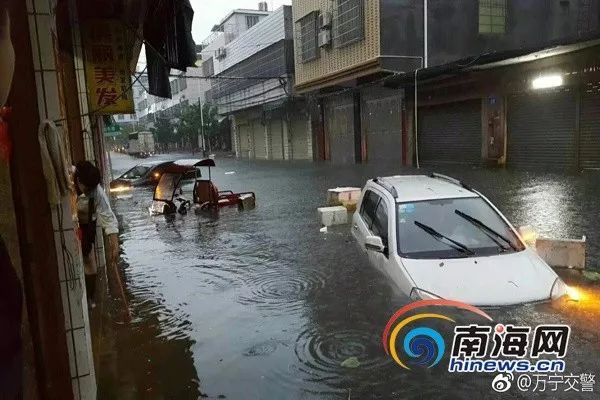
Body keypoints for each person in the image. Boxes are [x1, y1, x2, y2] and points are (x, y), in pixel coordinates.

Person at [74, 161, 130, 321]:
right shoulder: (68, 181)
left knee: (88, 259)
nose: (91, 191)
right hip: (72, 221)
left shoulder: (97, 191)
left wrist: (114, 242)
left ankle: (90, 298)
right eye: (88, 188)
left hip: (86, 223)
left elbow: (107, 215)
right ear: (78, 181)